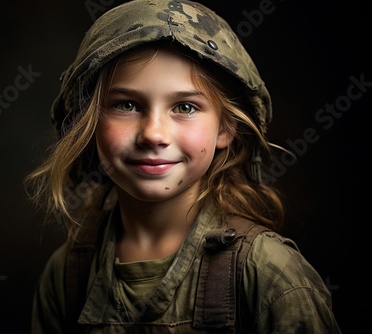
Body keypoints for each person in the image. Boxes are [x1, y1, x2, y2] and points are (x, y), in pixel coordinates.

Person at [25, 0, 342, 333]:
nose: (153, 134)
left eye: (186, 107)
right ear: (86, 123)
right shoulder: (67, 275)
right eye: (127, 104)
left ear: (225, 128)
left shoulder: (270, 276)